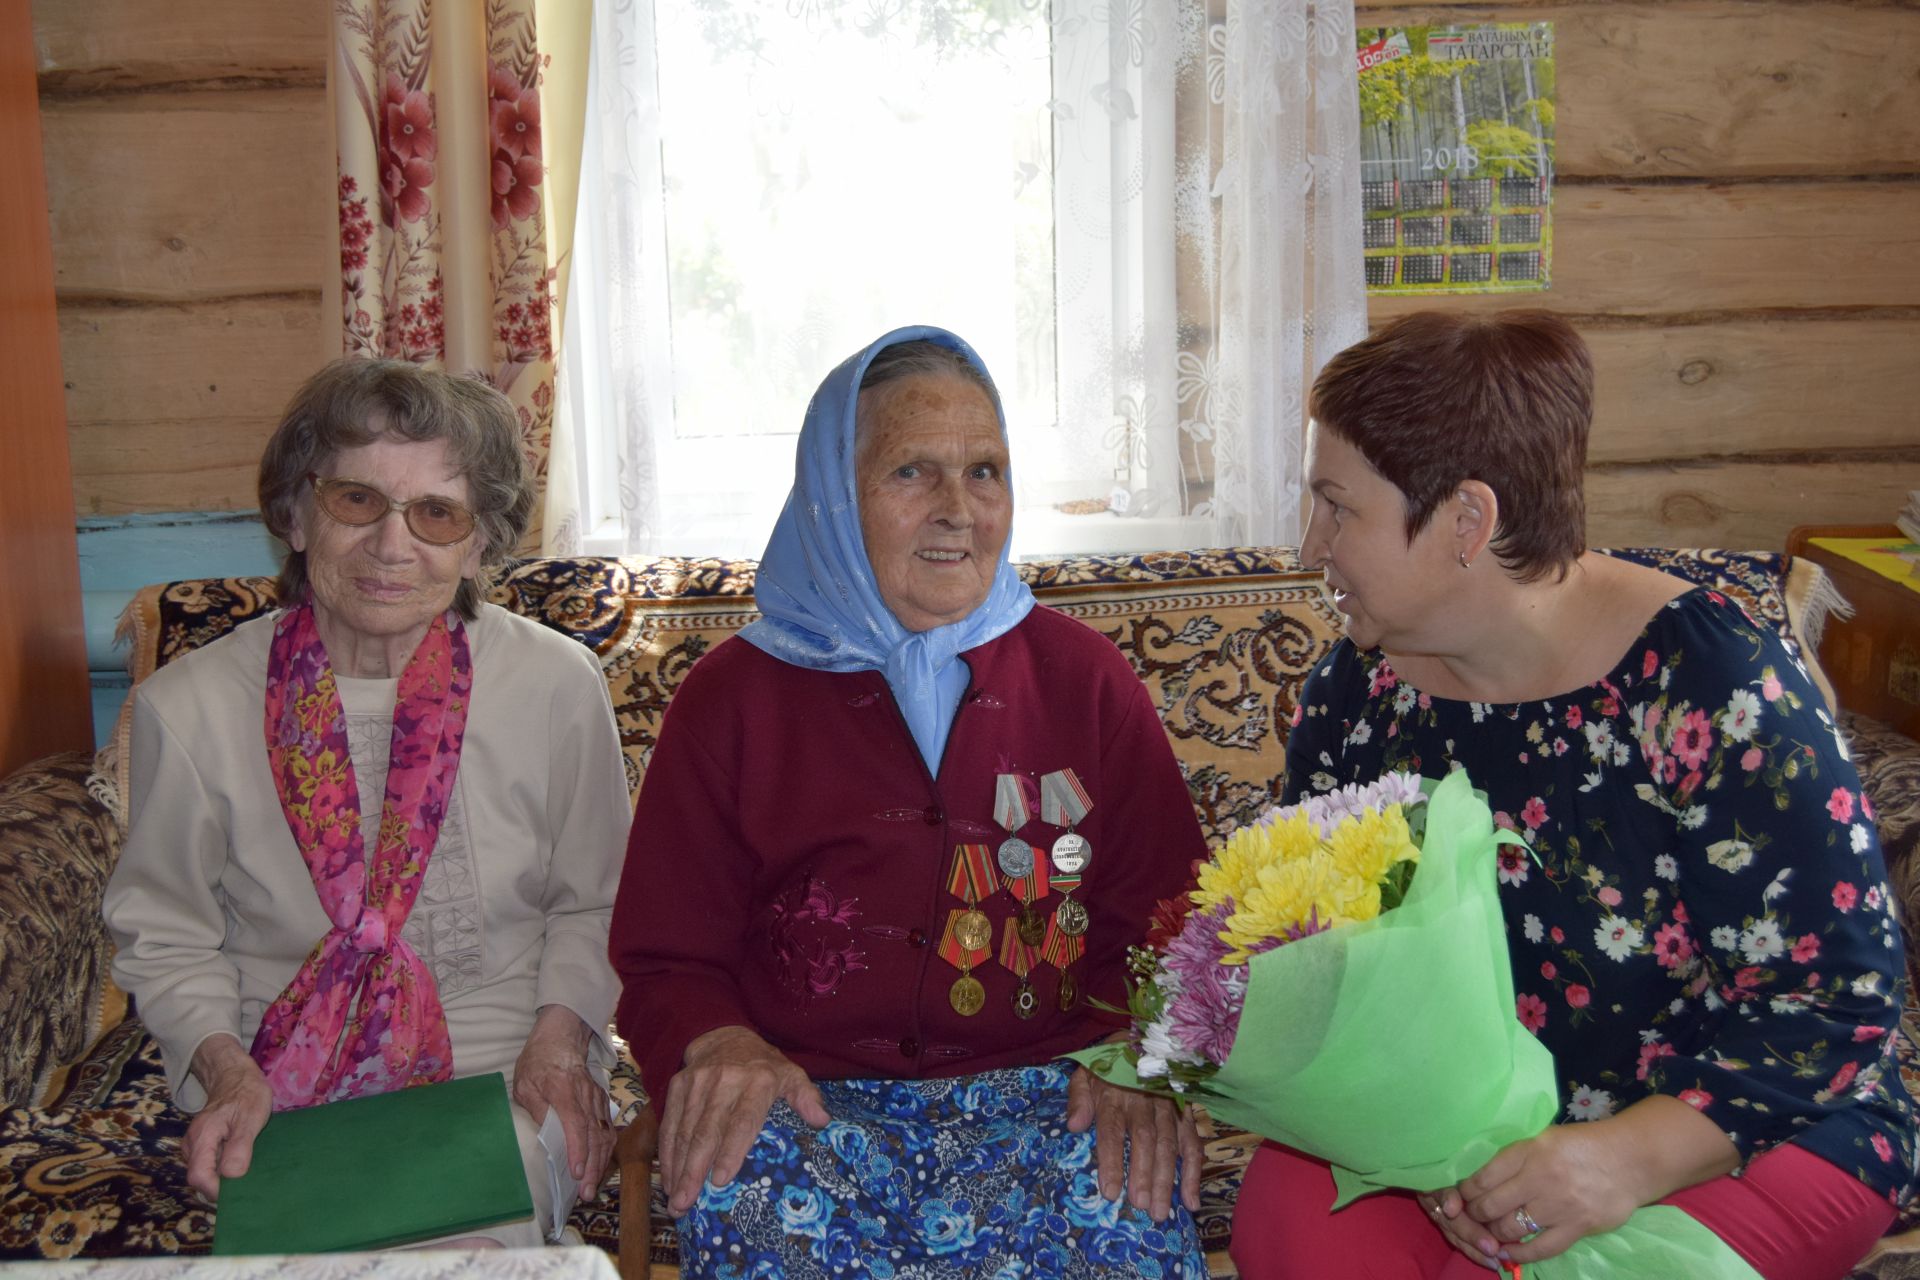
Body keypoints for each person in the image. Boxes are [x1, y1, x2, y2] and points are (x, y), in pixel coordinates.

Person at [1229, 311, 1917, 1280]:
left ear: (1467, 520)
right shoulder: (1360, 689)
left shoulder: (1712, 681)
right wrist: (1404, 1122)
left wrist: (1623, 1158)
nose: (1312, 544)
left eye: (1339, 506)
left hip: (1741, 1125)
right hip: (1463, 1120)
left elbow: (1839, 1002)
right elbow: (1319, 950)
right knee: (1290, 1221)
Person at [610, 326, 1212, 1277]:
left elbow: (1170, 922)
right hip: (806, 1102)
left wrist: (1139, 1059)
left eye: (985, 471)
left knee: (1127, 1200)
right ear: (832, 497)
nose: (958, 511)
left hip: (1058, 1097)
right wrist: (718, 1043)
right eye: (912, 474)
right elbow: (665, 955)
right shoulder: (733, 697)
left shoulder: (1084, 679)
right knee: (742, 1177)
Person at [103, 359, 630, 1246]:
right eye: (357, 501)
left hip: (500, 1069)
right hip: (271, 1083)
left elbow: (600, 899)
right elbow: (165, 930)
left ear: (478, 541)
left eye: (436, 514)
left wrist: (558, 1048)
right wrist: (225, 1072)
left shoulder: (554, 683)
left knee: (457, 1245)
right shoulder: (188, 707)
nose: (394, 546)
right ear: (295, 514)